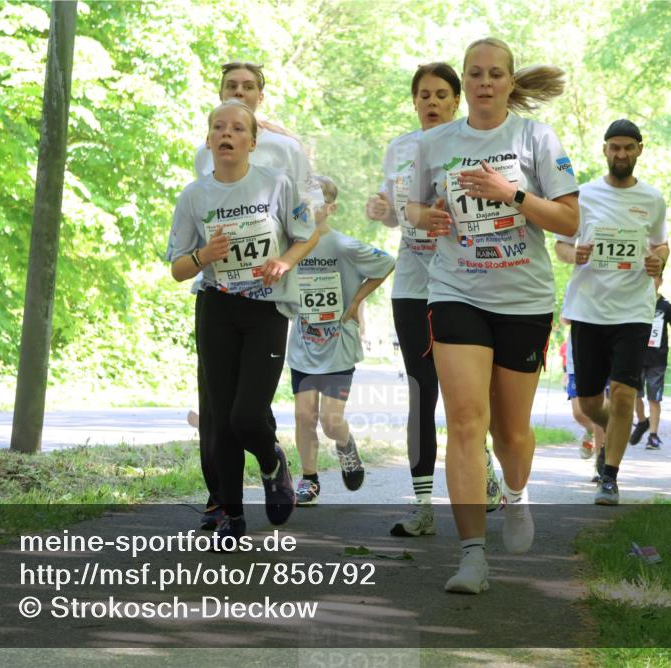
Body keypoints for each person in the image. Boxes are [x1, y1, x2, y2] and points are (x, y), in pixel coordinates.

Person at [406, 38, 579, 593]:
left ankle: (517, 493)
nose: (484, 82)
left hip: (523, 299)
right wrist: (428, 215)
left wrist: (512, 194)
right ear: (465, 80)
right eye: (475, 74)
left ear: (509, 82)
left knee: (511, 433)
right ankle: (472, 557)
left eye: (494, 74)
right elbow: (413, 204)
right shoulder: (435, 142)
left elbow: (569, 221)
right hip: (456, 289)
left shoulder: (536, 138)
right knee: (463, 421)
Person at [168, 100, 319, 542]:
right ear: (209, 139)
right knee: (220, 420)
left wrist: (286, 263)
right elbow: (178, 267)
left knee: (247, 414)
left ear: (253, 142)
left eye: (237, 128)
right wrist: (203, 256)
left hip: (266, 310)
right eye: (219, 127)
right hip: (217, 307)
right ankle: (230, 518)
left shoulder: (277, 184)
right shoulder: (194, 195)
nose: (227, 134)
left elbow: (306, 235)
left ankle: (272, 462)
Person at [367, 62, 502, 537]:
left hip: (465, 282)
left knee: (468, 395)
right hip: (412, 282)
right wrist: (381, 210)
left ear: (456, 101)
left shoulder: (475, 145)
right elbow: (391, 213)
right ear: (414, 102)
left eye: (441, 94)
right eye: (423, 94)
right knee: (421, 390)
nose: (431, 102)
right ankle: (422, 505)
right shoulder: (400, 148)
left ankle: (482, 464)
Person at [557, 118, 668, 506]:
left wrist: (659, 262)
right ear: (605, 150)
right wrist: (576, 253)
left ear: (639, 149)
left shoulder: (653, 199)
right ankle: (617, 430)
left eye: (628, 147)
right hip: (588, 308)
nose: (621, 154)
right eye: (614, 147)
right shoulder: (583, 195)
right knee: (589, 403)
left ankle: (610, 476)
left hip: (634, 310)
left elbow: (661, 245)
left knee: (623, 394)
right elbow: (561, 246)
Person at [289, 175, 395, 505]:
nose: (306, 208)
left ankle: (345, 444)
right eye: (302, 202)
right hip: (304, 344)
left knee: (330, 421)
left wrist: (355, 301)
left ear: (330, 208)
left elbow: (386, 262)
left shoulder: (343, 245)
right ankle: (309, 479)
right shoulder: (289, 245)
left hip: (338, 345)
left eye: (315, 203)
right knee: (304, 416)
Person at [628, 277, 671, 450]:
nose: (650, 281)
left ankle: (653, 435)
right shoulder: (635, 302)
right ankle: (642, 422)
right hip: (637, 357)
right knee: (635, 394)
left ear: (660, 281)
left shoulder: (665, 306)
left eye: (654, 278)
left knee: (654, 399)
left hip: (657, 359)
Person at [560, 321, 605, 462]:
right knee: (578, 413)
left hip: (601, 359)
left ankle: (599, 463)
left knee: (598, 413)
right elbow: (565, 319)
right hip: (576, 361)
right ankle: (591, 430)